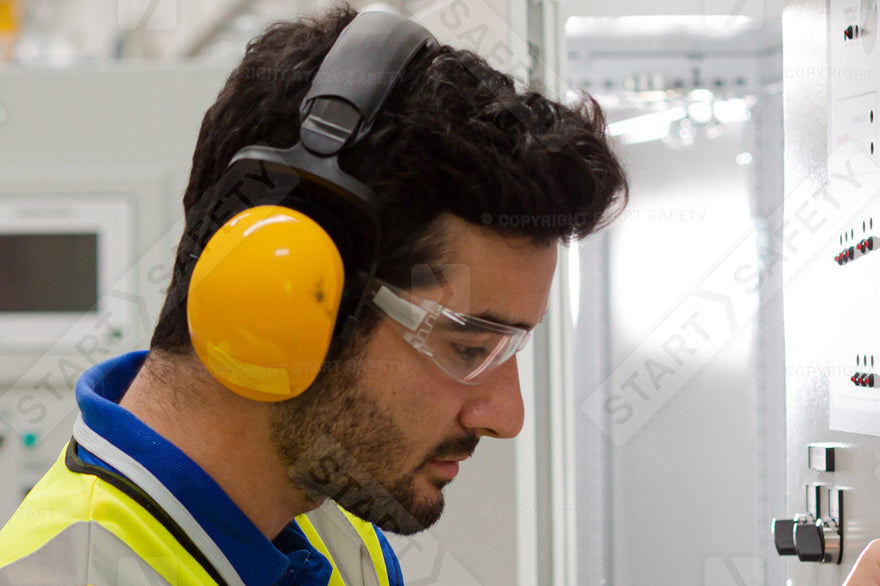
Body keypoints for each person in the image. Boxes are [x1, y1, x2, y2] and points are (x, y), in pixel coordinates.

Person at [0, 4, 627, 585]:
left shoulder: (330, 527)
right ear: (280, 300)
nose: (507, 417)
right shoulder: (72, 572)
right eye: (468, 347)